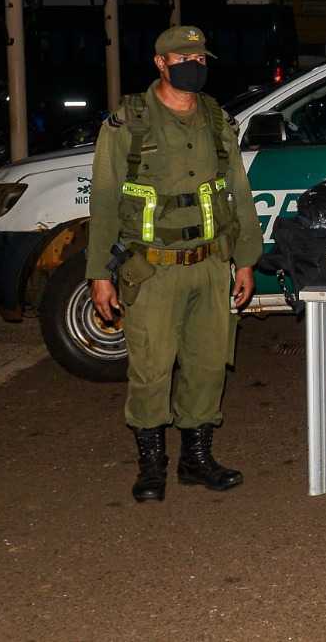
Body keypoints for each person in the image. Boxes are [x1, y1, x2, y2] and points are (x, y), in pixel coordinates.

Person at [86, 25, 263, 503]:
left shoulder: (216, 118)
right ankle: (152, 466)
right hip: (151, 270)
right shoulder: (128, 122)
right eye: (184, 59)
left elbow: (238, 192)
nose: (194, 66)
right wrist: (99, 274)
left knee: (208, 366)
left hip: (210, 264)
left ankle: (196, 460)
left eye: (200, 59)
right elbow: (104, 200)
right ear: (160, 63)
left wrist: (245, 261)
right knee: (151, 370)